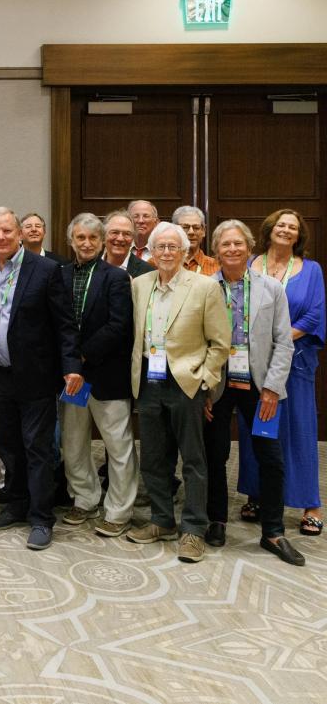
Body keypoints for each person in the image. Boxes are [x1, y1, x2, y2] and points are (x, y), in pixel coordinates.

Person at [0, 207, 83, 551]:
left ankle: (41, 517)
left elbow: (65, 324)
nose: (1, 237)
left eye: (7, 231)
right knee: (7, 444)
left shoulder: (47, 270)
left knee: (37, 447)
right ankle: (18, 503)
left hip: (36, 374)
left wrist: (71, 365)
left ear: (20, 233)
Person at [125, 222, 230, 563]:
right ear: (151, 253)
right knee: (154, 458)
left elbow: (220, 343)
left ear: (185, 252)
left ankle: (194, 530)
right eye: (161, 247)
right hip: (149, 382)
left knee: (194, 460)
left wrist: (205, 381)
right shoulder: (140, 285)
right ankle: (162, 520)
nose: (167, 253)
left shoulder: (204, 287)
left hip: (187, 383)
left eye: (174, 247)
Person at [203, 220, 302, 565]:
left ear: (248, 248)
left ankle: (273, 531)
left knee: (270, 459)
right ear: (216, 251)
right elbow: (194, 341)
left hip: (260, 387)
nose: (232, 249)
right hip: (216, 384)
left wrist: (273, 389)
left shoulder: (272, 288)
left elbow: (283, 342)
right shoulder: (204, 288)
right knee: (214, 456)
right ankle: (216, 520)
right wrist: (202, 390)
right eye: (225, 244)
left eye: (238, 244)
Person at [240, 208, 324, 537]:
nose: (286, 230)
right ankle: (257, 494)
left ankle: (310, 503)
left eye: (292, 227)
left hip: (296, 360)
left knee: (299, 429)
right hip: (254, 363)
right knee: (258, 427)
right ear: (269, 229)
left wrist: (278, 339)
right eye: (281, 225)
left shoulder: (311, 269)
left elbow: (315, 315)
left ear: (299, 235)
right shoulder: (250, 264)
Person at [56, 213, 137, 537]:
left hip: (106, 375)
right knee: (73, 445)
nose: (86, 243)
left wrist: (80, 357)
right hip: (72, 378)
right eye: (80, 238)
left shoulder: (116, 277)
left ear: (102, 241)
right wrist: (70, 365)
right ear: (71, 241)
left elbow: (118, 326)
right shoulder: (60, 275)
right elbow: (58, 324)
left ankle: (118, 511)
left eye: (92, 238)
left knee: (118, 446)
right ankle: (85, 498)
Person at [103, 210, 154, 278]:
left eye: (127, 234)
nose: (120, 238)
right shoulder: (89, 265)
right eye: (115, 232)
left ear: (133, 238)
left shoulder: (148, 272)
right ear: (103, 235)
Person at [171, 205, 219, 276]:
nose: (191, 232)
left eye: (196, 228)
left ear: (203, 231)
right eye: (185, 227)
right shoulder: (158, 263)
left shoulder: (217, 267)